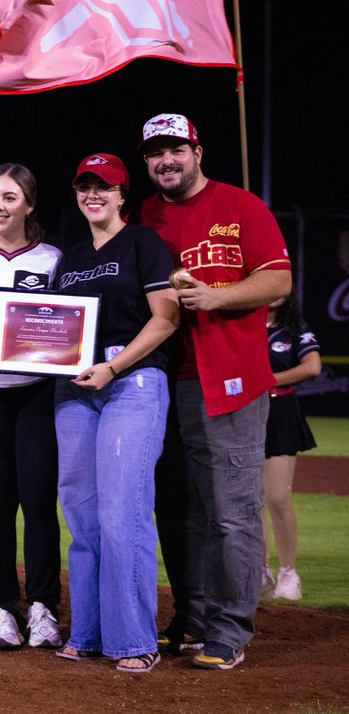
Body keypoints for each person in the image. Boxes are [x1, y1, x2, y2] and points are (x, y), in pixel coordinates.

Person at [138, 113, 292, 670]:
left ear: (197, 151)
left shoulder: (240, 206)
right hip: (162, 382)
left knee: (231, 511)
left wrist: (217, 297)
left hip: (228, 380)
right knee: (177, 510)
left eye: (176, 149)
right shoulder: (144, 216)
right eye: (156, 153)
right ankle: (193, 616)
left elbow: (279, 279)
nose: (167, 160)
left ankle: (229, 630)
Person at [43, 153, 178, 673]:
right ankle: (88, 632)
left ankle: (134, 639)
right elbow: (51, 330)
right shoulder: (71, 257)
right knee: (82, 516)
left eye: (104, 186)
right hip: (76, 389)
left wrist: (115, 367)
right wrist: (4, 348)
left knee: (122, 513)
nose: (93, 194)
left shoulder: (144, 242)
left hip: (131, 382)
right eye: (84, 186)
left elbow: (166, 319)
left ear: (123, 195)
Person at [0, 164, 62, 651]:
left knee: (39, 504)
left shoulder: (52, 259)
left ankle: (43, 607)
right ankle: (0, 608)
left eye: (9, 197)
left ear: (29, 205)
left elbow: (64, 330)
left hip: (37, 394)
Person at [261, 292, 321, 600]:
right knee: (251, 500)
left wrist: (269, 378)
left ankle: (289, 573)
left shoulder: (294, 328)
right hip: (245, 412)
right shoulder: (243, 325)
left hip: (281, 411)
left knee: (277, 497)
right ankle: (260, 571)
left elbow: (312, 367)